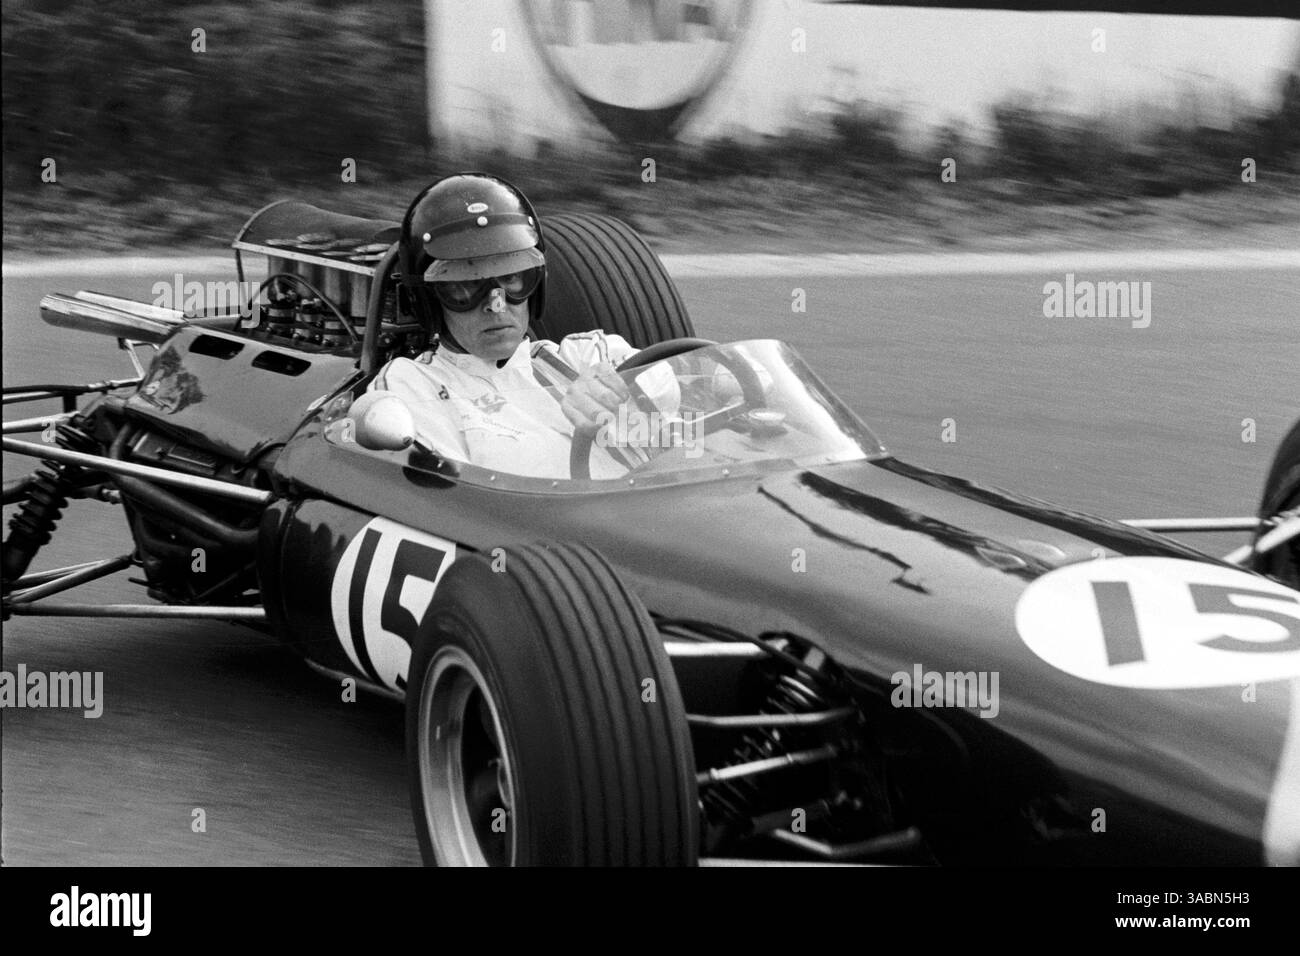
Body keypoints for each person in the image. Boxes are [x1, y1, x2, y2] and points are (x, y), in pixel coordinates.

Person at [368, 172, 675, 480]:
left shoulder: (580, 357)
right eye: (465, 285)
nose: (496, 305)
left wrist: (612, 387)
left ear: (535, 285)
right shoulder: (415, 384)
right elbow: (457, 504)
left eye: (511, 278)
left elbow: (669, 382)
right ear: (428, 300)